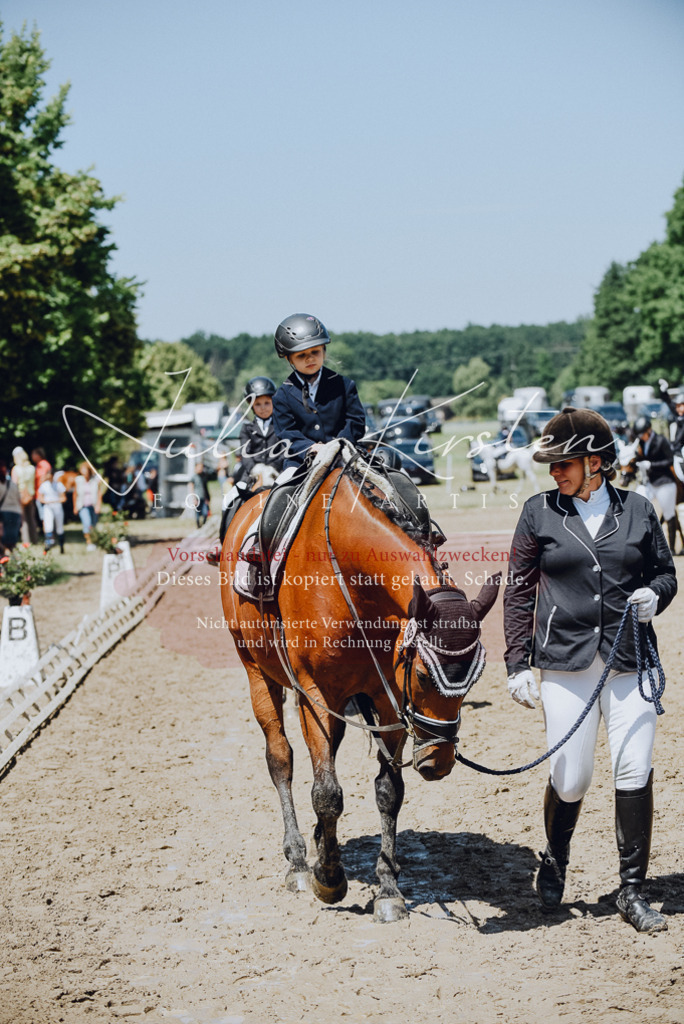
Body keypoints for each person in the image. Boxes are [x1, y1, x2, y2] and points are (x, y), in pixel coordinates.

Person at [504, 407, 677, 933]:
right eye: (552, 465)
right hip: (565, 661)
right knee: (572, 777)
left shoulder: (639, 510)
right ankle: (555, 856)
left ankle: (632, 890)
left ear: (596, 462)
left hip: (630, 660)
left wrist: (656, 596)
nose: (555, 472)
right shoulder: (538, 512)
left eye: (565, 463)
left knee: (634, 768)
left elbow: (665, 573)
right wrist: (517, 663)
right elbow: (518, 592)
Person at [272, 313, 366, 468]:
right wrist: (310, 448)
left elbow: (355, 421)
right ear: (289, 358)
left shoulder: (344, 385)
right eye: (301, 355)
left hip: (345, 454)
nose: (310, 359)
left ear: (324, 350)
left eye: (315, 352)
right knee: (284, 482)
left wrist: (339, 444)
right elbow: (286, 433)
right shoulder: (281, 396)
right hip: (302, 461)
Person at [632, 413, 679, 553]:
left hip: (664, 481)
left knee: (669, 513)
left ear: (649, 430)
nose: (641, 437)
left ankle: (672, 548)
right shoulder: (641, 442)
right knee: (638, 503)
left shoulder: (661, 441)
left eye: (642, 434)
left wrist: (651, 464)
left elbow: (669, 460)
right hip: (650, 482)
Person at [238, 376, 285, 484]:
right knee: (233, 493)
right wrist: (255, 469)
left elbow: (284, 451)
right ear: (251, 405)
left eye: (267, 403)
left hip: (277, 472)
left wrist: (273, 467)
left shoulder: (281, 425)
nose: (263, 408)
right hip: (253, 474)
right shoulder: (246, 429)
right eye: (258, 404)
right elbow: (244, 454)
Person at [11, 446, 38, 544]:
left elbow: (14, 485)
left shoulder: (16, 469)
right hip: (30, 496)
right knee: (32, 519)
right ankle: (35, 540)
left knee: (23, 521)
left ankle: (26, 542)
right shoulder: (32, 468)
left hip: (20, 496)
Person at [73, 462, 102, 550]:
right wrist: (75, 506)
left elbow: (99, 493)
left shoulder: (95, 480)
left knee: (93, 525)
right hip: (83, 506)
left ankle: (94, 541)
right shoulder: (78, 480)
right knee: (87, 523)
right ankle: (89, 543)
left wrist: (98, 505)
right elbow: (75, 494)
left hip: (93, 505)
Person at [658, 378, 684, 473]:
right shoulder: (679, 414)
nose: (677, 409)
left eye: (680, 406)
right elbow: (669, 402)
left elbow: (682, 433)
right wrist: (664, 391)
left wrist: (674, 445)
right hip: (678, 446)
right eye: (676, 406)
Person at [37, 468, 66, 553]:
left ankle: (61, 545)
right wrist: (47, 501)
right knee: (48, 526)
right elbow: (40, 498)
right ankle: (48, 544)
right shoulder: (44, 485)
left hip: (57, 506)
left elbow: (63, 498)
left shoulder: (59, 485)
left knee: (59, 527)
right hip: (48, 507)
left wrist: (56, 501)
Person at [0, 459, 23, 550]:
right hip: (16, 512)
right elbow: (19, 499)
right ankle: (13, 555)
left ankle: (4, 555)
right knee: (13, 538)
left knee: (4, 538)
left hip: (3, 512)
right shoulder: (13, 484)